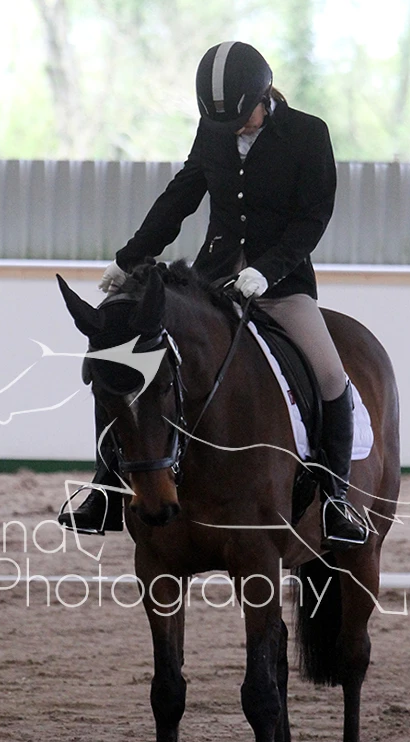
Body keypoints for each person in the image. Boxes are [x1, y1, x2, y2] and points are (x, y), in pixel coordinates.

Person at [59, 40, 368, 550]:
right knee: (124, 356)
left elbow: (312, 218)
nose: (235, 129)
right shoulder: (215, 130)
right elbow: (180, 196)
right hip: (211, 282)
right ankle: (106, 487)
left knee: (332, 377)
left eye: (243, 118)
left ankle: (335, 501)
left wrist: (266, 271)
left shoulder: (308, 133)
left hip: (281, 285)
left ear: (265, 95)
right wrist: (130, 258)